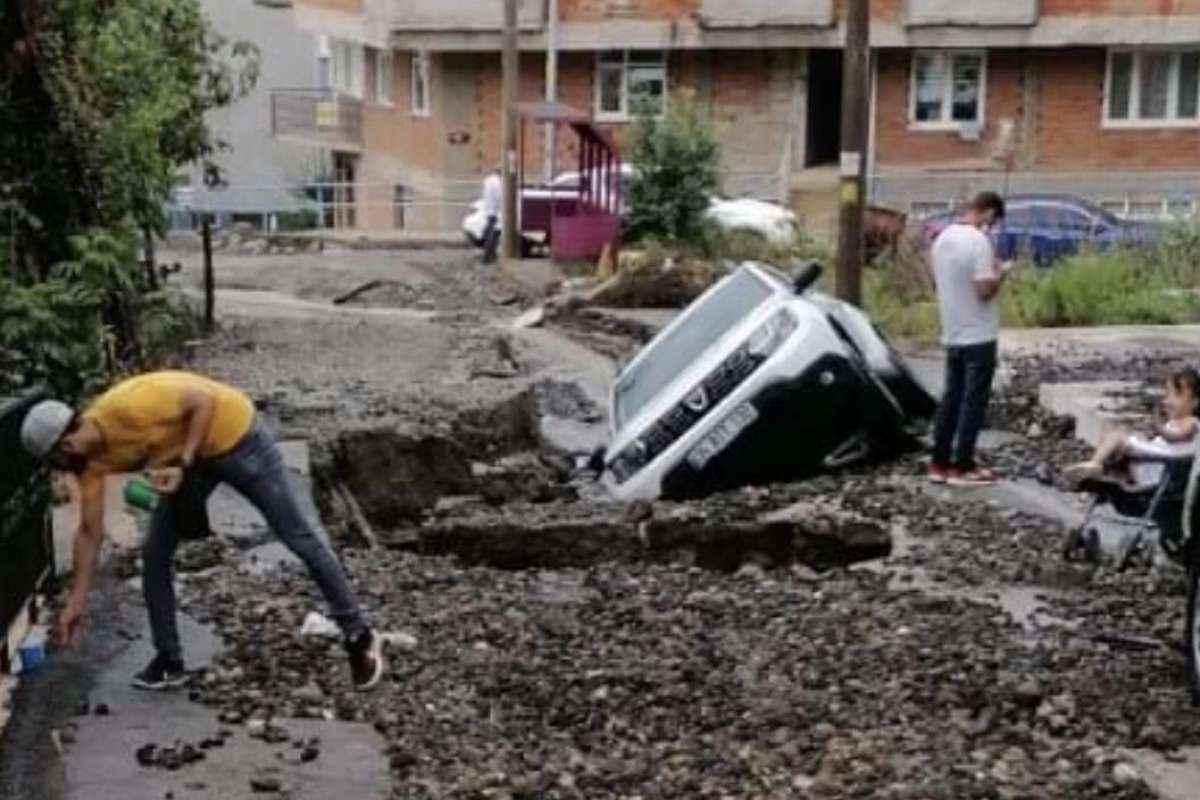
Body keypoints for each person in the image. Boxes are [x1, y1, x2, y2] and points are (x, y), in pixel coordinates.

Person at [19, 371, 386, 691]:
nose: (63, 468)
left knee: (298, 536)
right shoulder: (88, 464)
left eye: (59, 459)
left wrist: (183, 462)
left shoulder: (129, 406)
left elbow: (204, 401)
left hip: (237, 437)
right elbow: (88, 532)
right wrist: (76, 602)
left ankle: (360, 636)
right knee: (156, 554)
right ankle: (169, 660)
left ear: (65, 441)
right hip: (186, 462)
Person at [928, 191, 1011, 486]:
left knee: (951, 399)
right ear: (988, 213)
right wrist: (1001, 273)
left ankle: (938, 463)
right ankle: (963, 466)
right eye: (994, 222)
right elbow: (984, 290)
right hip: (979, 334)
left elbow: (938, 285)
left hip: (952, 331)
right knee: (972, 403)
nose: (992, 228)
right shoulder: (978, 242)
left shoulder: (941, 239)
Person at [1065, 367, 1200, 488]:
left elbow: (1174, 439)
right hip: (1156, 464)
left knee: (1117, 435)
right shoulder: (1173, 423)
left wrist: (1158, 427)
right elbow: (1164, 441)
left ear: (1194, 402)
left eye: (1176, 395)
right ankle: (1098, 471)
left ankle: (1095, 464)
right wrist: (1153, 429)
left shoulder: (1192, 423)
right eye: (1167, 394)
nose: (1167, 401)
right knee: (1118, 435)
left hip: (1160, 469)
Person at [480, 166, 503, 265]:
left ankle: (489, 254)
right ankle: (489, 256)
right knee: (493, 234)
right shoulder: (498, 182)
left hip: (488, 210)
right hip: (494, 211)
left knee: (490, 232)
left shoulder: (488, 180)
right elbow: (499, 197)